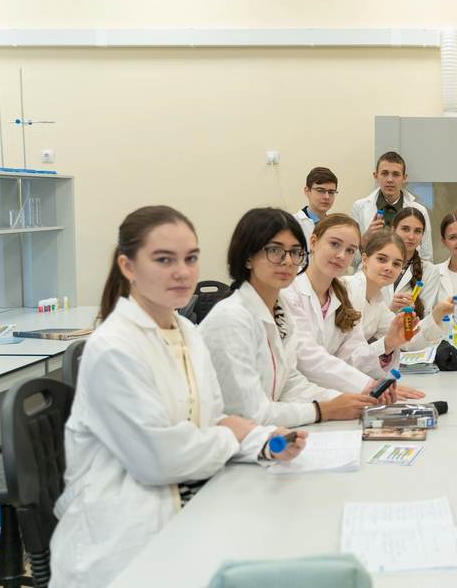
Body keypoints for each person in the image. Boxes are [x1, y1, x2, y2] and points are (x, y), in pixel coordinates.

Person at [51, 206, 305, 588]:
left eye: (191, 258)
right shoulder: (114, 348)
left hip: (192, 506)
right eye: (164, 260)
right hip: (128, 540)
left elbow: (213, 420)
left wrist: (267, 442)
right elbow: (159, 459)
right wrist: (232, 434)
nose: (182, 272)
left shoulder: (186, 331)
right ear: (128, 267)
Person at [200, 208, 378, 428]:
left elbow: (289, 383)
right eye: (275, 250)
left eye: (294, 252)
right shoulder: (231, 319)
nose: (287, 261)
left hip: (260, 434)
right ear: (247, 257)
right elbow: (249, 414)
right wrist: (323, 409)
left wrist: (344, 401)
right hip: (227, 439)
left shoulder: (278, 310)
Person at [280, 213, 424, 400]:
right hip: (289, 398)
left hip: (325, 395)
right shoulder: (288, 290)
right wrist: (368, 385)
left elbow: (353, 356)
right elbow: (305, 355)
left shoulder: (341, 296)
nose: (341, 255)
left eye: (350, 250)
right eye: (334, 244)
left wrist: (387, 344)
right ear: (313, 242)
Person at [344, 230, 457, 349]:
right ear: (365, 259)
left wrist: (438, 313)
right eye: (381, 259)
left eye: (396, 264)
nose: (389, 268)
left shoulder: (378, 305)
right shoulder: (344, 290)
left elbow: (408, 339)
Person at [351, 151, 433, 264]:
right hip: (370, 272)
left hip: (407, 273)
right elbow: (352, 261)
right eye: (384, 173)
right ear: (376, 176)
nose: (390, 179)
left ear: (404, 178)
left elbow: (426, 257)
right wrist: (365, 239)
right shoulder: (359, 207)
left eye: (396, 174)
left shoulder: (420, 211)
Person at [384, 208, 442, 317]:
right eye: (405, 229)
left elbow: (425, 315)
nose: (411, 236)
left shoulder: (430, 271)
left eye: (417, 231)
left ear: (422, 235)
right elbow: (365, 312)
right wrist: (391, 309)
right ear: (393, 230)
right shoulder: (375, 264)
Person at [293, 166, 338, 240]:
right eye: (320, 191)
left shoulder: (336, 227)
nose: (327, 197)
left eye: (331, 192)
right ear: (307, 191)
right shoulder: (292, 224)